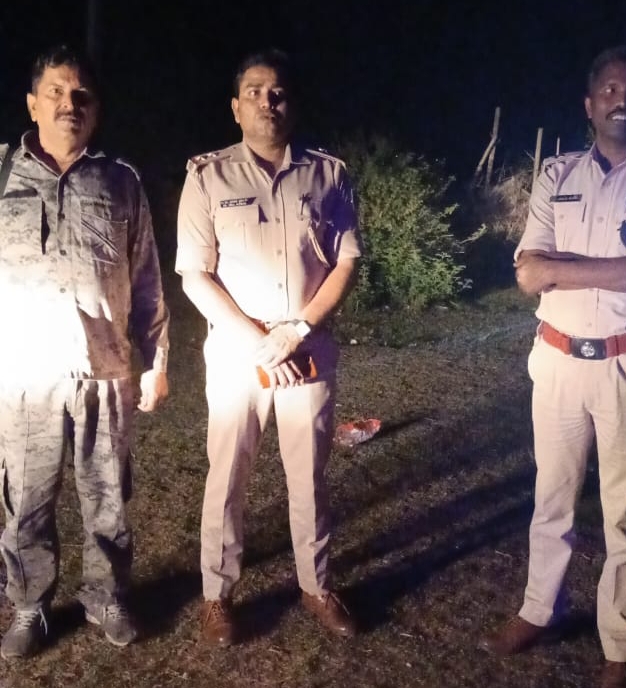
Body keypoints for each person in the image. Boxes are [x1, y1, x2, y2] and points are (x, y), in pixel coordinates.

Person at [479, 46, 626, 688]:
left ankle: (619, 647)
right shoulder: (556, 173)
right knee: (552, 499)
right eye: (609, 90)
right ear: (589, 103)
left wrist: (563, 268)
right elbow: (528, 273)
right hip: (557, 361)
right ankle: (538, 610)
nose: (621, 100)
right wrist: (614, 271)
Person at [176, 48, 362, 646]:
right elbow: (195, 274)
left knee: (309, 476)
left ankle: (316, 585)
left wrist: (296, 330)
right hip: (240, 349)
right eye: (254, 92)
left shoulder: (328, 174)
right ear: (235, 108)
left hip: (305, 346)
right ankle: (216, 595)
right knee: (227, 476)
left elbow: (346, 262)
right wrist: (260, 340)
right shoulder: (207, 177)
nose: (267, 101)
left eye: (277, 92)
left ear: (292, 104)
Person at [0, 45, 170, 659]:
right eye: (55, 92)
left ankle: (106, 596)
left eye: (81, 96)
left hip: (106, 371)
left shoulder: (120, 180)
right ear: (32, 103)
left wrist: (157, 362)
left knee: (108, 498)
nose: (68, 104)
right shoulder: (2, 175)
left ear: (95, 110)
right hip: (23, 375)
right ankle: (29, 605)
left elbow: (147, 278)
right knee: (25, 501)